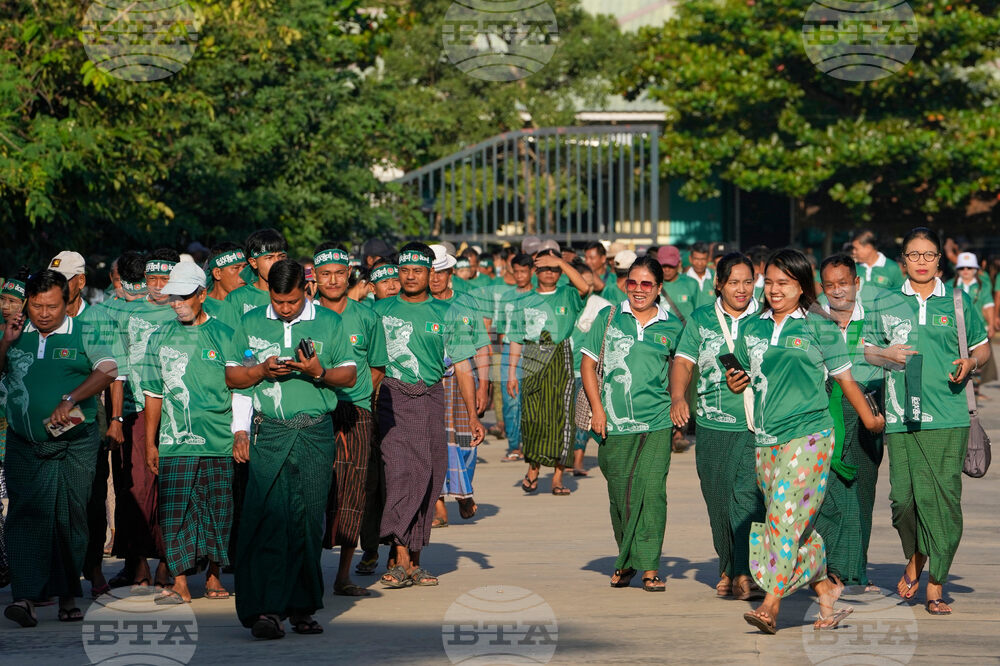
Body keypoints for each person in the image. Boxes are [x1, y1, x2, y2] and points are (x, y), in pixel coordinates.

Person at [727, 248, 883, 634]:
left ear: (801, 287)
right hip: (766, 439)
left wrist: (869, 419)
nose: (774, 290)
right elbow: (747, 377)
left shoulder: (820, 327)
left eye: (784, 283)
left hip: (810, 436)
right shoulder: (752, 328)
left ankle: (771, 604)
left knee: (781, 517)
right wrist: (735, 381)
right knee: (797, 526)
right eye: (770, 282)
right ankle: (826, 594)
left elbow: (845, 379)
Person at [225, 259, 356, 639]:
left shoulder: (329, 323)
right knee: (267, 519)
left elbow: (348, 373)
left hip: (314, 433)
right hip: (270, 434)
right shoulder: (251, 322)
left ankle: (301, 608)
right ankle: (266, 610)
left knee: (307, 523)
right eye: (278, 300)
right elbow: (235, 377)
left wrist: (317, 372)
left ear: (307, 290)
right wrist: (260, 375)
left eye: (293, 301)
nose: (285, 308)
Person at [863, 228, 991, 616]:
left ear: (940, 260)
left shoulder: (957, 300)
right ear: (902, 260)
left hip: (949, 415)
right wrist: (887, 354)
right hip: (902, 416)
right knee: (903, 500)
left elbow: (982, 349)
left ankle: (936, 582)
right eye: (914, 255)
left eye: (929, 255)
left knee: (944, 501)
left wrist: (971, 363)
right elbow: (867, 351)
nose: (921, 262)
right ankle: (918, 553)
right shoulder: (884, 302)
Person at [1, 270, 117, 627]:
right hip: (24, 444)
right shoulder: (15, 333)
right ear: (27, 304)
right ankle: (26, 597)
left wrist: (71, 398)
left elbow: (109, 369)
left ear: (66, 302)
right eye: (37, 306)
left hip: (74, 447)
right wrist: (6, 342)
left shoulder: (85, 332)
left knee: (70, 519)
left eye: (52, 305)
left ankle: (68, 594)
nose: (45, 313)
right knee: (24, 519)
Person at [372, 244, 484, 589]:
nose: (409, 276)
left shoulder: (447, 312)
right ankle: (402, 557)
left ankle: (415, 558)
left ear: (429, 273)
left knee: (429, 475)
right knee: (400, 473)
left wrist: (473, 416)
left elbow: (463, 366)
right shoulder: (378, 311)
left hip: (431, 396)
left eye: (417, 271)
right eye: (404, 271)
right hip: (390, 398)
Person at [581, 255, 682, 592]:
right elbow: (588, 364)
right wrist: (597, 409)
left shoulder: (672, 326)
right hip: (613, 424)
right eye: (633, 283)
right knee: (621, 495)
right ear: (625, 284)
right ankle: (625, 560)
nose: (639, 290)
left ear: (659, 288)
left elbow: (683, 367)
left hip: (656, 421)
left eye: (647, 284)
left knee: (653, 493)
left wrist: (680, 404)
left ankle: (650, 566)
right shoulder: (608, 318)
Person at [140, 262, 239, 604]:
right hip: (174, 442)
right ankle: (179, 580)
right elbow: (153, 393)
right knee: (174, 511)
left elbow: (240, 389)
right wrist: (150, 441)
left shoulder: (225, 335)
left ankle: (214, 575)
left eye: (184, 297)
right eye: (173, 298)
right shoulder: (159, 337)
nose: (177, 303)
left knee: (218, 510)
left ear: (202, 295)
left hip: (219, 441)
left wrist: (240, 433)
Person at [671, 253, 765, 600]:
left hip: (757, 425)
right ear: (719, 284)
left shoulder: (766, 316)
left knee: (747, 499)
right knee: (718, 502)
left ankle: (743, 572)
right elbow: (683, 361)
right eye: (734, 282)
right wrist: (679, 397)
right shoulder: (701, 319)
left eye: (747, 281)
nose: (742, 289)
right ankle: (727, 563)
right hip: (712, 425)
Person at [313, 245, 388, 597]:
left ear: (349, 276)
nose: (332, 280)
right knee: (314, 490)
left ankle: (343, 575)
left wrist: (358, 399)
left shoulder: (367, 317)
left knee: (352, 489)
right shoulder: (305, 315)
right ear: (314, 275)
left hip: (356, 412)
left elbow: (376, 367)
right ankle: (309, 571)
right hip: (314, 413)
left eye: (338, 273)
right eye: (324, 273)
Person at [107, 249, 181, 591]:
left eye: (165, 279)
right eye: (152, 279)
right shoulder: (124, 313)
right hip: (137, 409)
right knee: (136, 489)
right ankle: (137, 564)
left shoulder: (184, 313)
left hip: (176, 414)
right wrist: (117, 416)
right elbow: (116, 367)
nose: (158, 286)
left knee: (172, 490)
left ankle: (170, 564)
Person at [811, 254, 885, 593]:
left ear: (857, 283)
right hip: (824, 409)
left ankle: (857, 569)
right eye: (830, 285)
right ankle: (831, 568)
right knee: (826, 493)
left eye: (844, 283)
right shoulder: (813, 320)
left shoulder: (877, 321)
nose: (837, 291)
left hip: (867, 409)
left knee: (862, 492)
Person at [506, 249, 590, 495]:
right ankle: (532, 469)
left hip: (560, 359)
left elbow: (584, 287)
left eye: (554, 269)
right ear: (535, 272)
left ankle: (557, 476)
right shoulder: (524, 300)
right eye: (545, 268)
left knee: (561, 417)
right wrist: (511, 372)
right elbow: (515, 339)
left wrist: (562, 262)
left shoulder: (567, 294)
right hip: (532, 359)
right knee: (532, 417)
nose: (550, 273)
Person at [427, 245, 490, 527]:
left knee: (466, 443)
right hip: (430, 383)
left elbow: (483, 348)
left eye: (441, 272)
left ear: (451, 272)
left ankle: (463, 490)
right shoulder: (420, 305)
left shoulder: (467, 302)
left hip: (462, 380)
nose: (435, 278)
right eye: (430, 272)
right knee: (435, 442)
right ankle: (438, 506)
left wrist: (483, 386)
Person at [0, 270, 29, 591]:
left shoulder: (37, 334)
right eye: (3, 300)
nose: (6, 307)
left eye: (13, 301)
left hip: (26, 431)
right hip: (1, 430)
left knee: (22, 502)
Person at [568, 262, 611, 477]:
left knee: (581, 418)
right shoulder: (565, 303)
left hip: (584, 372)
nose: (584, 287)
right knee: (564, 418)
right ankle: (564, 459)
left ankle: (577, 461)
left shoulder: (601, 306)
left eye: (588, 283)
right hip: (562, 370)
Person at [495, 253, 535, 463]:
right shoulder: (507, 298)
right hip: (510, 350)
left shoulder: (538, 296)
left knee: (531, 401)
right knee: (511, 400)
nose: (519, 276)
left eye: (523, 271)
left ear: (531, 272)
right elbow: (501, 329)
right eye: (516, 271)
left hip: (533, 350)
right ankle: (513, 445)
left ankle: (531, 444)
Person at [225, 229, 288, 318]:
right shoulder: (237, 298)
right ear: (253, 262)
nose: (277, 262)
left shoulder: (294, 294)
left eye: (282, 256)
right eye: (269, 257)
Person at [204, 241, 247, 328]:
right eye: (236, 268)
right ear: (217, 273)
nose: (244, 273)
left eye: (245, 267)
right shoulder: (200, 305)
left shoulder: (250, 304)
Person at [47, 252, 91, 320]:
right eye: (51, 282)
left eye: (62, 281)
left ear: (81, 281)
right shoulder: (39, 321)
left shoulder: (99, 322)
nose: (55, 288)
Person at [685, 241, 715, 307]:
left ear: (708, 259)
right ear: (690, 259)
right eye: (696, 259)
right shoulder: (682, 280)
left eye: (703, 259)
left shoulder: (715, 278)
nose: (699, 263)